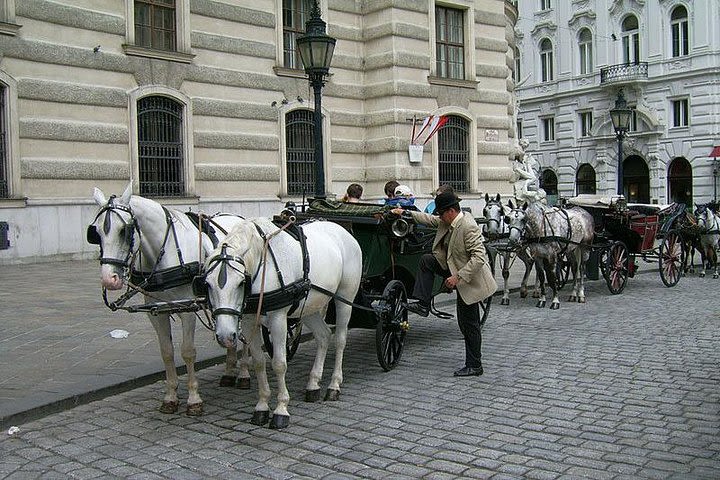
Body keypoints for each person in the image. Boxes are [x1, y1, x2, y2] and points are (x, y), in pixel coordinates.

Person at [391, 191, 496, 377]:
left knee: (468, 323)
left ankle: (475, 365)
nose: (439, 216)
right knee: (426, 260)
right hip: (451, 266)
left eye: (441, 213)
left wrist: (458, 278)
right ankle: (423, 304)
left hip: (470, 279)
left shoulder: (468, 227)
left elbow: (479, 257)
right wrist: (405, 213)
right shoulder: (447, 221)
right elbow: (428, 219)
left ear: (451, 211)